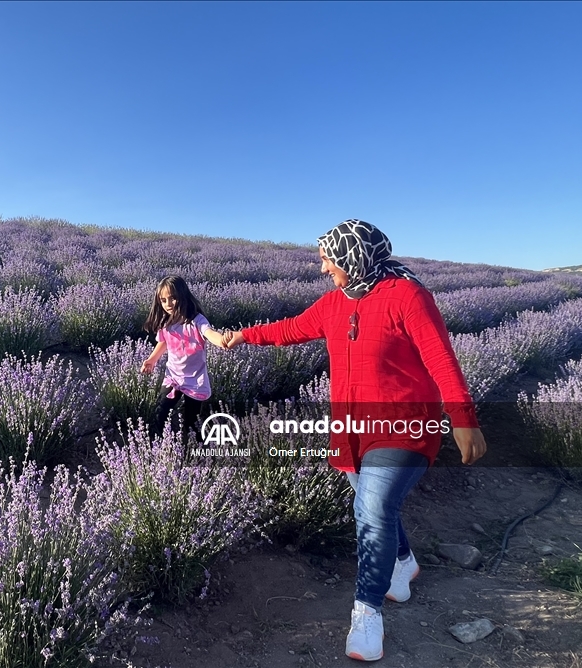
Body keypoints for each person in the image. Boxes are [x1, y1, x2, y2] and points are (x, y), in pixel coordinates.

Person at [222, 220, 487, 662]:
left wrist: (463, 417)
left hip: (405, 426)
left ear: (352, 255)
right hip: (350, 433)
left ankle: (367, 612)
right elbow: (289, 328)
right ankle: (403, 564)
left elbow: (441, 358)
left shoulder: (407, 296)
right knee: (372, 504)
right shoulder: (332, 304)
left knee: (371, 506)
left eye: (328, 258)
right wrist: (243, 336)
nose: (322, 267)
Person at [140, 276, 226, 437]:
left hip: (195, 380)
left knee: (191, 420)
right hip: (173, 376)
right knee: (162, 410)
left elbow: (209, 333)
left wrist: (221, 340)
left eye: (173, 298)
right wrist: (152, 359)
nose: (168, 304)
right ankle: (156, 443)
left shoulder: (197, 321)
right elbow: (164, 343)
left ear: (183, 296)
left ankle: (192, 449)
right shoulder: (166, 323)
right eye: (163, 300)